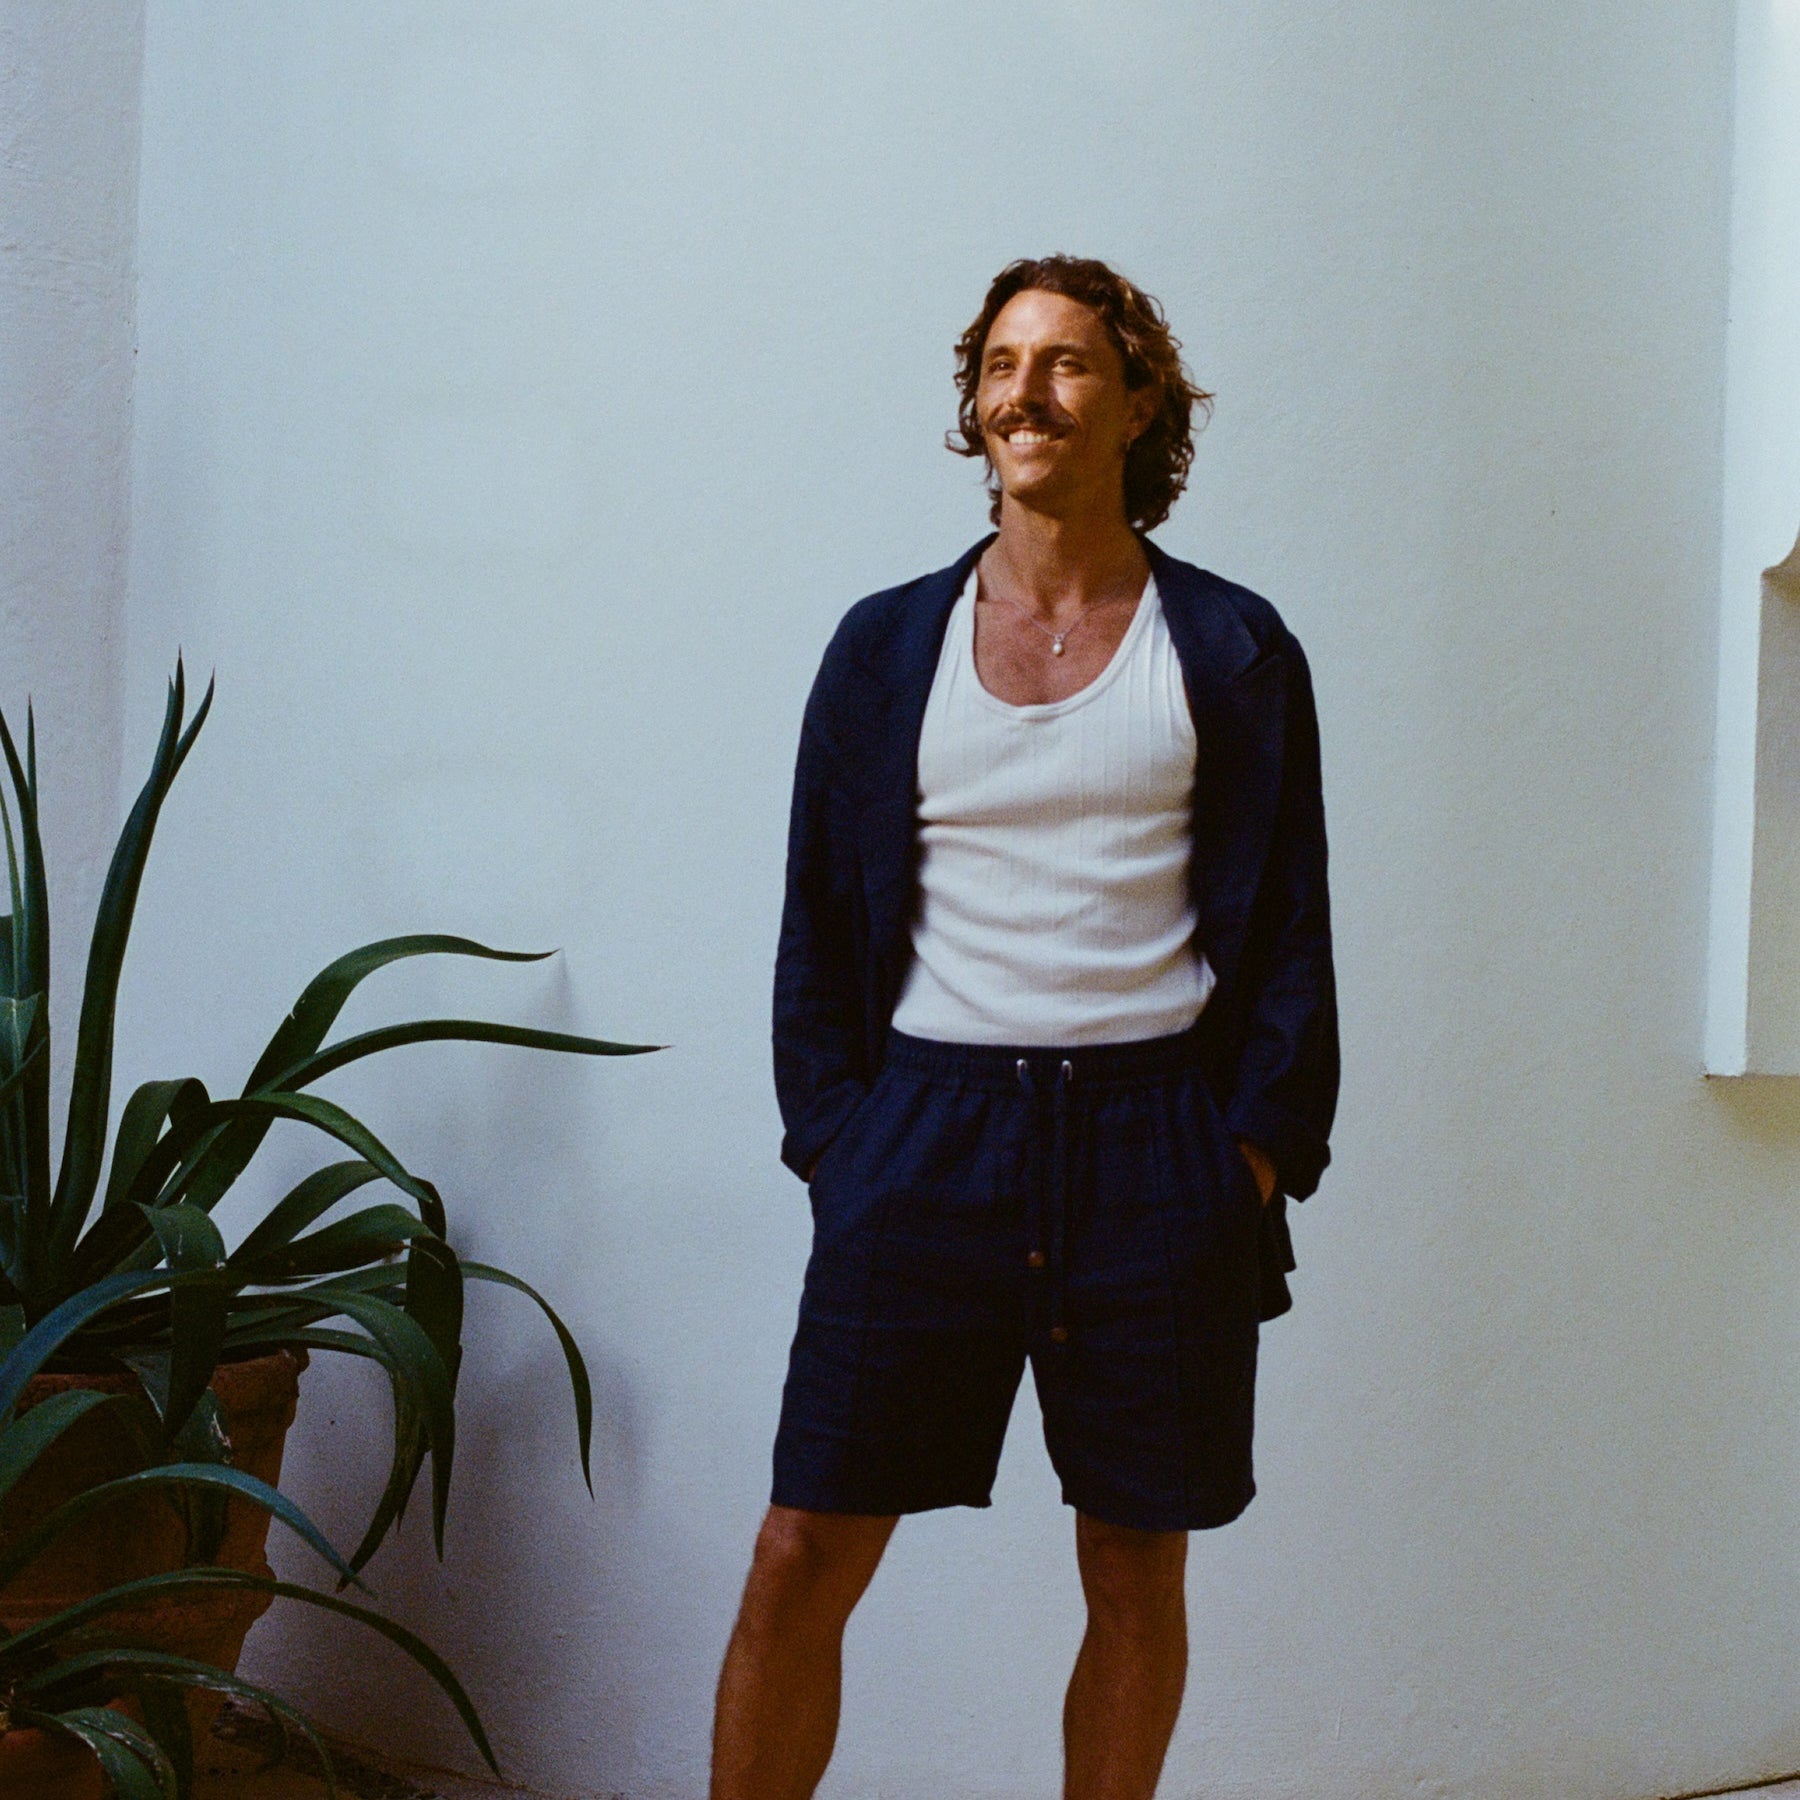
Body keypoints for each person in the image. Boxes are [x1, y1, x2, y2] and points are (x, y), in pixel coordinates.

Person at [712, 254, 1338, 1800]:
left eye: (1067, 363)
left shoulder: (1235, 649)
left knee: (1136, 1570)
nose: (1025, 390)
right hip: (927, 1136)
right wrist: (842, 1149)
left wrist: (1247, 1158)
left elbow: (1292, 939)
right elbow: (813, 922)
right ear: (973, 406)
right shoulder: (883, 648)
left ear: (1140, 405)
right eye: (1001, 363)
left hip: (1156, 1150)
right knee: (802, 1548)